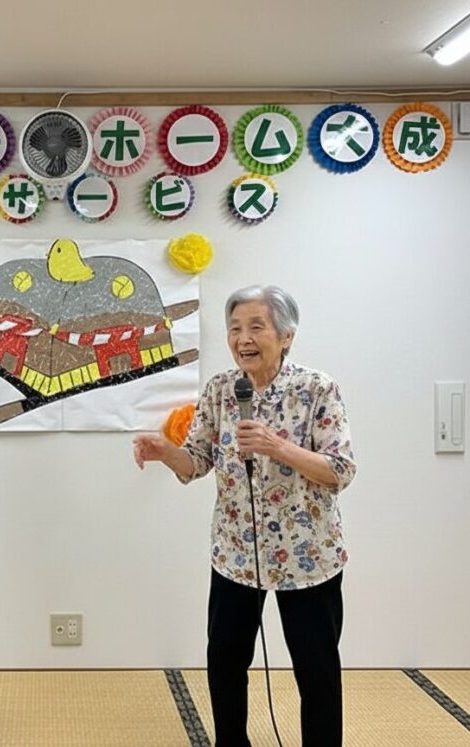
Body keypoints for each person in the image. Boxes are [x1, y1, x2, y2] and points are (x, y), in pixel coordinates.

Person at [133, 285, 356, 747]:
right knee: (225, 661)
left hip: (307, 556)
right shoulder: (221, 390)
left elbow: (340, 470)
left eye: (256, 326)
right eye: (235, 328)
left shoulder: (317, 389)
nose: (243, 338)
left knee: (316, 669)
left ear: (287, 336)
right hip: (235, 554)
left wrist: (277, 446)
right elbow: (197, 462)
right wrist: (165, 452)